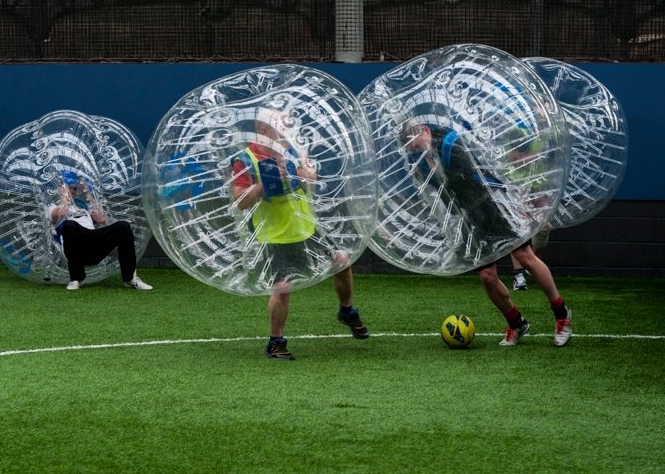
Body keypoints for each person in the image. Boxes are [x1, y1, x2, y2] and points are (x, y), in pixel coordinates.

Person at [400, 120, 572, 347]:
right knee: (487, 276)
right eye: (412, 150)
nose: (416, 151)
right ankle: (516, 323)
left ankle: (562, 315)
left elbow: (466, 177)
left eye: (416, 145)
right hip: (469, 214)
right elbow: (440, 195)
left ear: (425, 132)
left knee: (524, 257)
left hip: (492, 203)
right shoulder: (420, 161)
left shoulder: (451, 142)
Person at [231, 109, 369, 360]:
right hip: (273, 235)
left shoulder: (293, 149)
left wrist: (294, 172)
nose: (286, 132)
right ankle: (275, 341)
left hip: (306, 227)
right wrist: (262, 186)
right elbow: (240, 201)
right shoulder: (245, 159)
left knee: (341, 261)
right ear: (263, 131)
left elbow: (312, 177)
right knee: (283, 287)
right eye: (280, 127)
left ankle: (347, 311)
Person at [48, 170, 152, 291]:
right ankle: (76, 278)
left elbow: (102, 219)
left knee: (123, 226)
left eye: (75, 189)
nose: (73, 192)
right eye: (69, 188)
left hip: (93, 242)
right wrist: (64, 196)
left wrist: (89, 195)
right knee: (69, 225)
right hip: (76, 247)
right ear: (62, 189)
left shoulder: (83, 208)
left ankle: (130, 279)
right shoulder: (52, 207)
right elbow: (61, 214)